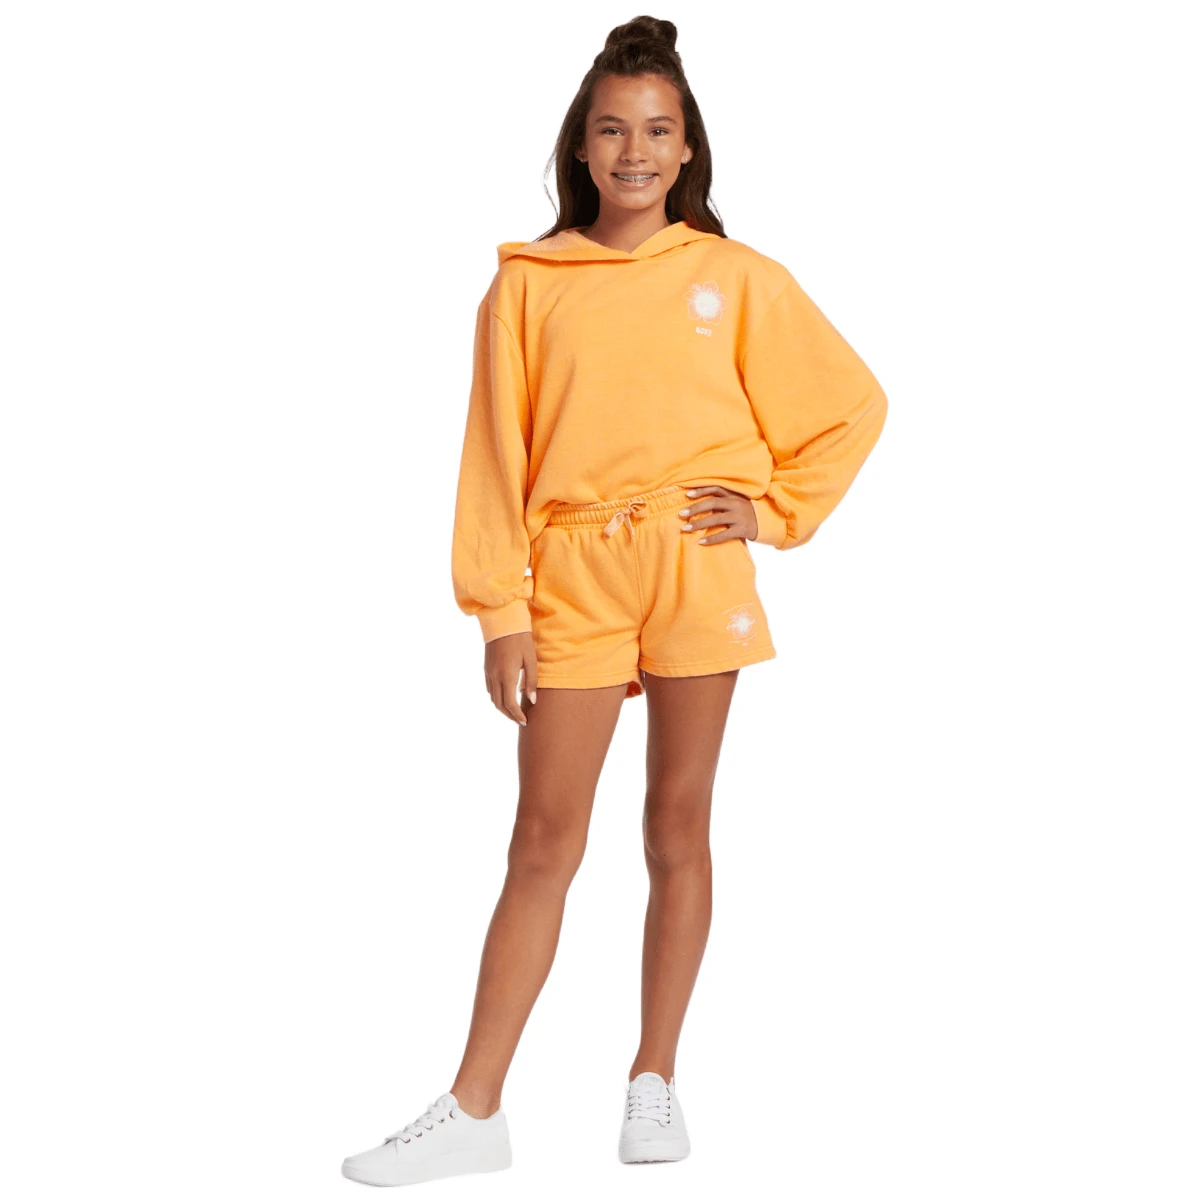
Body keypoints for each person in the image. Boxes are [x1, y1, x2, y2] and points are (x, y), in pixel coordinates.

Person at [342, 14, 887, 1188]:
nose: (634, 151)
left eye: (656, 130)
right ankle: (476, 1105)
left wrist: (772, 512)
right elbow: (493, 455)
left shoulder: (736, 278)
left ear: (687, 149)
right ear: (579, 148)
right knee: (543, 837)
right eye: (611, 130)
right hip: (574, 573)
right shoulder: (526, 287)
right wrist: (500, 610)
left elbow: (852, 405)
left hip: (693, 561)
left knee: (676, 824)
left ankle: (655, 1078)